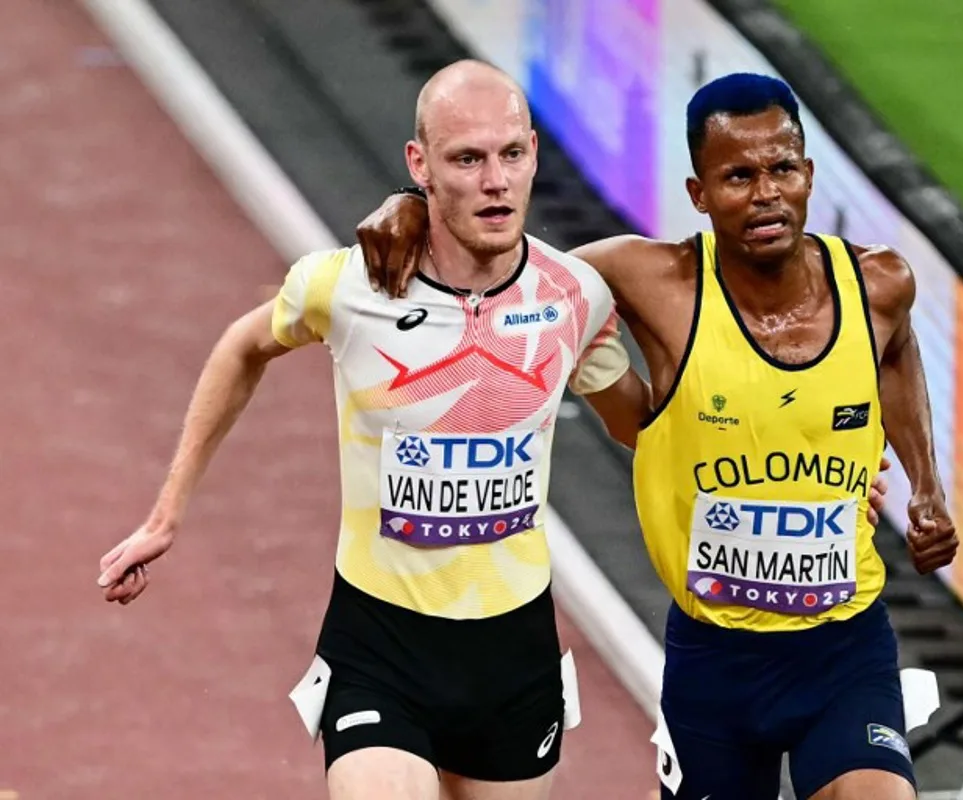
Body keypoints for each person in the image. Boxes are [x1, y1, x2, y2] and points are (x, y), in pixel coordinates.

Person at [356, 71, 958, 800]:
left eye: (782, 169)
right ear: (699, 195)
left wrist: (925, 485)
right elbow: (513, 271)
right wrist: (411, 210)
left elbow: (894, 352)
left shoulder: (879, 285)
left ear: (807, 173)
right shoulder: (652, 282)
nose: (766, 193)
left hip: (842, 644)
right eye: (738, 176)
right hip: (715, 660)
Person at [94, 60, 653, 800]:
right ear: (420, 164)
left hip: (513, 651)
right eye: (467, 158)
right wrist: (166, 514)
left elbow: (643, 428)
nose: (495, 180)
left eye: (511, 154)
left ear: (534, 156)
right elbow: (243, 346)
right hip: (382, 642)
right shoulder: (352, 286)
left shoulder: (573, 298)